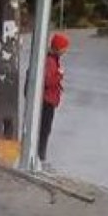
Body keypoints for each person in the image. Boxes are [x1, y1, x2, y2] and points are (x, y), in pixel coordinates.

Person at [38, 32, 70, 169]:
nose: (65, 51)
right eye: (64, 48)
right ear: (58, 48)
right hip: (47, 101)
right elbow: (48, 81)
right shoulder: (50, 61)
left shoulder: (52, 59)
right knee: (44, 130)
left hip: (48, 100)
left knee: (44, 130)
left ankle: (40, 157)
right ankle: (40, 158)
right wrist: (60, 75)